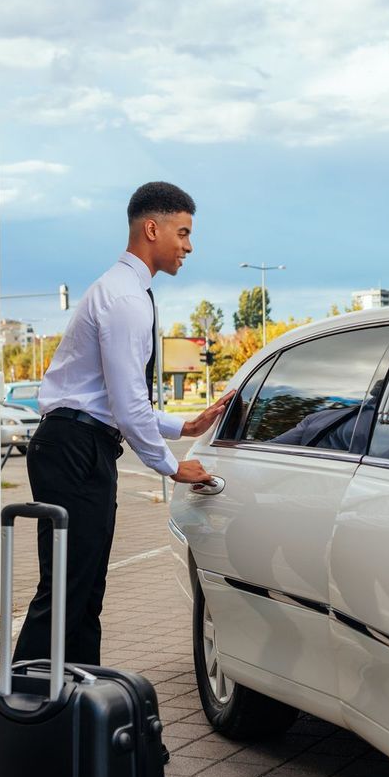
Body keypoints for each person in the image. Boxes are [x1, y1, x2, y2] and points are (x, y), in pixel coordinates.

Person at [14, 181, 233, 666]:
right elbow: (129, 403)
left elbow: (118, 400)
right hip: (75, 448)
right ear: (152, 229)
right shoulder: (126, 299)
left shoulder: (125, 292)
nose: (189, 246)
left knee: (85, 590)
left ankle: (73, 700)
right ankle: (18, 709)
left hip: (81, 444)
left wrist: (185, 427)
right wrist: (171, 467)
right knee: (68, 591)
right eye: (183, 232)